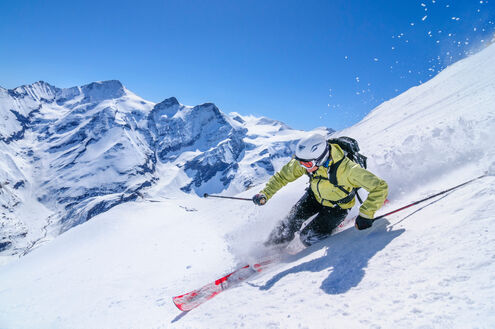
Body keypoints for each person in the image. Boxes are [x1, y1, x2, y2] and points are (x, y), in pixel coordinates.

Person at [252, 134, 388, 247]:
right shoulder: (305, 161)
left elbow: (380, 187)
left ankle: (327, 235)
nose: (302, 166)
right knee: (288, 224)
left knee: (307, 237)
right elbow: (282, 176)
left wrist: (366, 214)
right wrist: (265, 193)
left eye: (307, 164)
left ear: (321, 158)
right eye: (300, 162)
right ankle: (271, 248)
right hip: (314, 197)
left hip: (338, 207)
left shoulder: (348, 170)